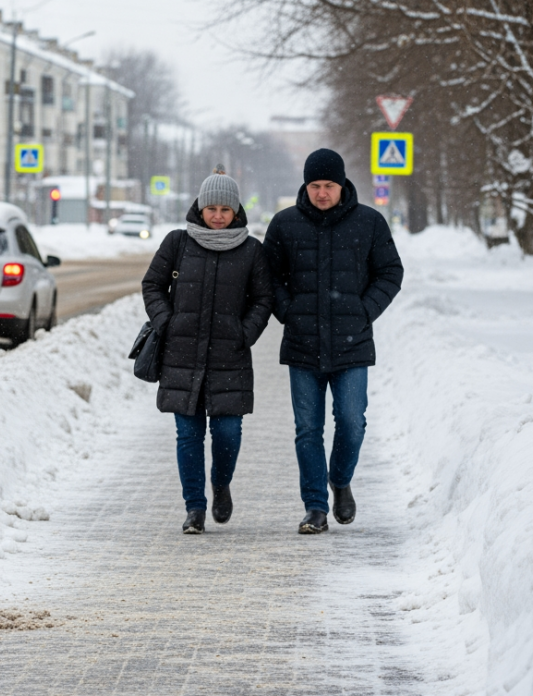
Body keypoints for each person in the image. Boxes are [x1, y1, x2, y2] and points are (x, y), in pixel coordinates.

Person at [262, 148, 403, 534]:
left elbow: (390, 272)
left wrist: (363, 310)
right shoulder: (285, 224)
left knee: (352, 421)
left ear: (342, 185)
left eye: (328, 185)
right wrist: (288, 311)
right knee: (308, 429)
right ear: (305, 186)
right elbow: (268, 278)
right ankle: (315, 507)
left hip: (352, 343)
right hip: (302, 344)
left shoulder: (369, 223)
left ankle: (340, 480)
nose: (321, 193)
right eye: (314, 185)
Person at [142, 169, 274, 534]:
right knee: (188, 435)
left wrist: (245, 332)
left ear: (236, 211)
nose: (218, 215)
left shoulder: (251, 250)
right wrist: (167, 321)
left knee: (228, 433)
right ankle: (194, 509)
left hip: (229, 358)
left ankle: (220, 483)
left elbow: (264, 299)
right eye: (211, 208)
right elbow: (152, 284)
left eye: (225, 209)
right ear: (200, 208)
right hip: (181, 356)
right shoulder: (177, 243)